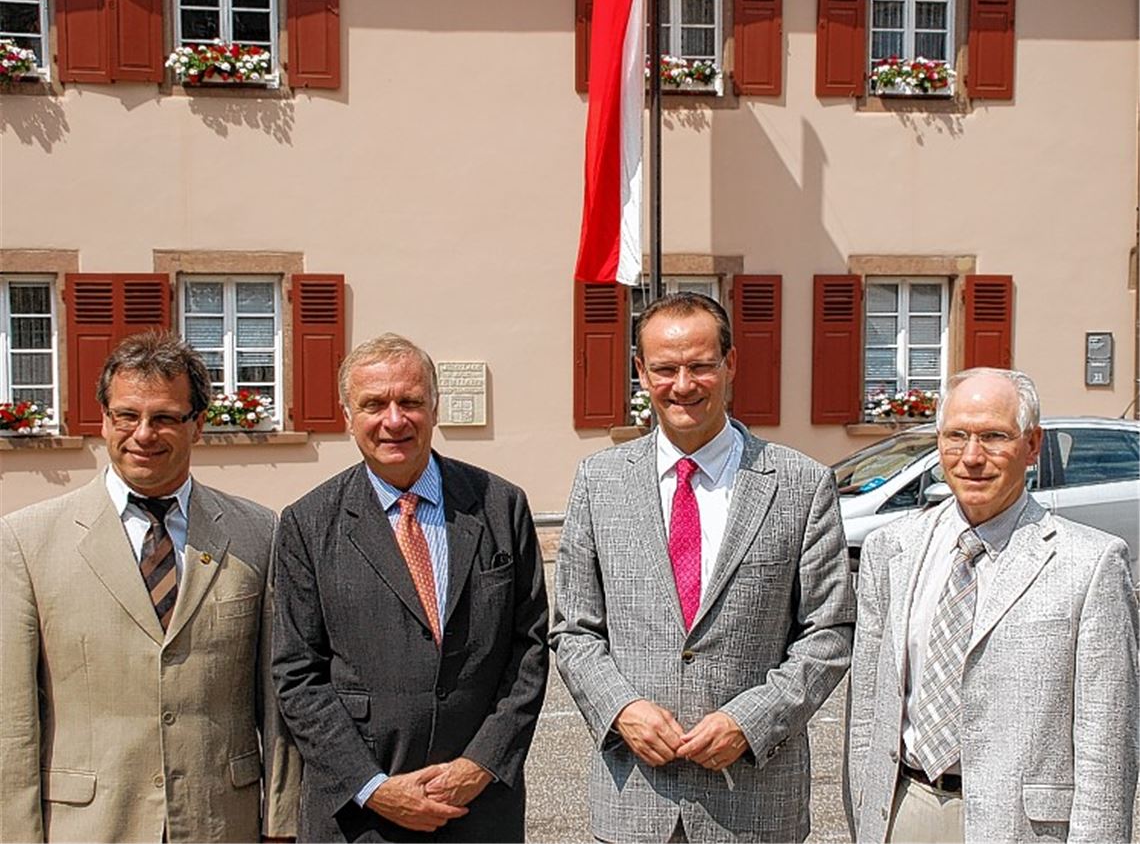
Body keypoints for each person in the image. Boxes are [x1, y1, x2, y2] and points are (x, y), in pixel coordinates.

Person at [550, 292, 855, 842]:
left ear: (731, 364)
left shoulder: (801, 484)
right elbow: (573, 629)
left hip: (754, 802)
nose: (683, 385)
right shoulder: (598, 482)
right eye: (665, 369)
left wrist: (752, 720)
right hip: (634, 800)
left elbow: (829, 633)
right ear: (641, 372)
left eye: (700, 366)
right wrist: (621, 710)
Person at [0, 330, 299, 842]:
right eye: (126, 416)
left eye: (163, 417)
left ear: (198, 425)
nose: (143, 434)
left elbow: (277, 698)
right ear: (103, 420)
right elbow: (13, 718)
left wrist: (282, 822)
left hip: (221, 822)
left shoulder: (258, 533)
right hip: (88, 826)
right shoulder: (27, 541)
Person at [271, 333, 549, 842]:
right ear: (347, 414)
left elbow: (529, 648)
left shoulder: (500, 506)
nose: (394, 420)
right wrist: (373, 787)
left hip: (479, 810)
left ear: (435, 407)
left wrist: (480, 765)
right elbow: (296, 672)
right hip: (360, 817)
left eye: (411, 402)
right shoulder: (307, 524)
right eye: (374, 404)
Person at [845, 367, 1139, 842]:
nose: (972, 457)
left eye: (994, 436)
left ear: (1032, 445)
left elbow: (1107, 746)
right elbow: (868, 710)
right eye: (956, 436)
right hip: (904, 811)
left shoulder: (1091, 564)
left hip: (1024, 828)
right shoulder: (892, 549)